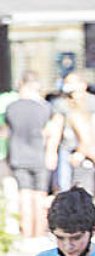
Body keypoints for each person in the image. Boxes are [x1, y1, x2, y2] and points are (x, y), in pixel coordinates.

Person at [6, 73, 53, 237]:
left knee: (24, 195)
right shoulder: (45, 108)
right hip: (40, 155)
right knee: (40, 196)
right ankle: (39, 232)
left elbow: (7, 131)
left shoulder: (11, 107)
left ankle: (27, 234)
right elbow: (49, 133)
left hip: (18, 155)